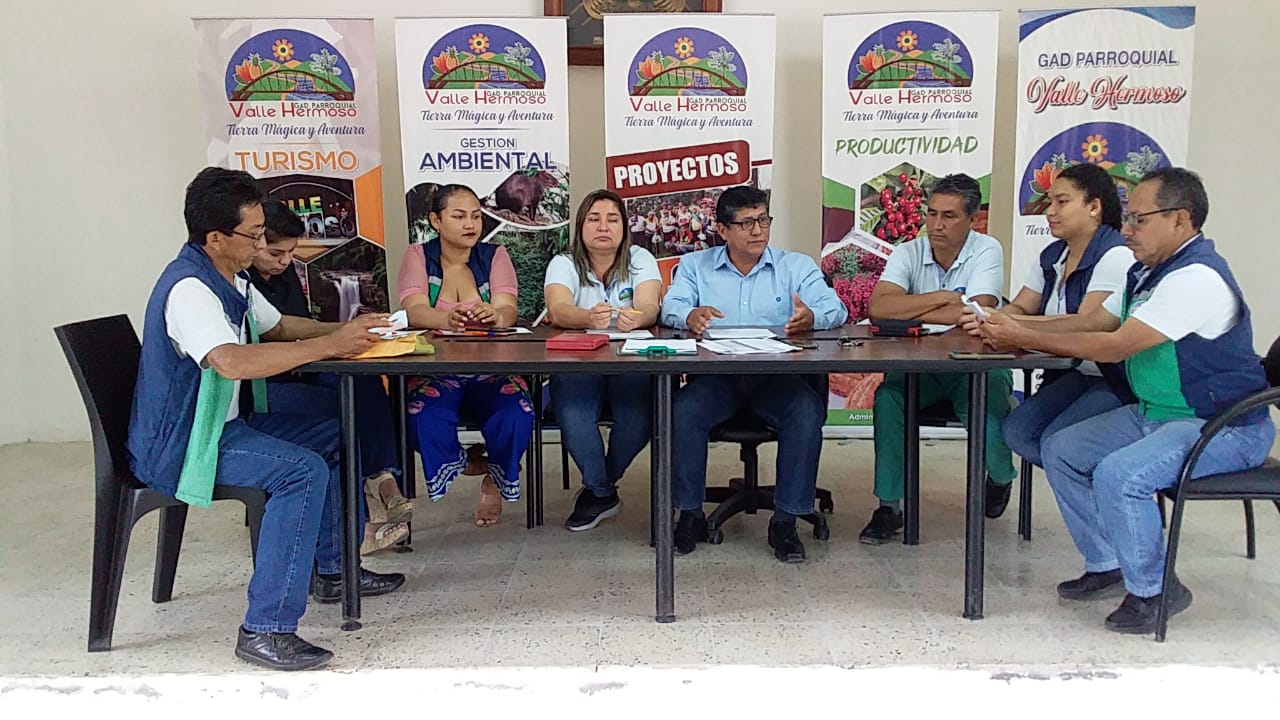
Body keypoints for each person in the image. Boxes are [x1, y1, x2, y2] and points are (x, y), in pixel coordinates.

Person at [127, 167, 404, 672]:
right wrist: (330, 345)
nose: (260, 246)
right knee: (301, 471)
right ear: (215, 237)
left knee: (337, 432)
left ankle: (333, 570)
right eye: (253, 236)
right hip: (187, 443)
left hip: (221, 426)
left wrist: (351, 330)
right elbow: (230, 360)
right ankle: (266, 629)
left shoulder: (228, 278)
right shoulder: (190, 289)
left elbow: (277, 326)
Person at [980, 167, 1275, 634]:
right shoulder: (1145, 272)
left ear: (1180, 219)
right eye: (1129, 218)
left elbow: (1115, 346)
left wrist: (1021, 334)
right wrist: (1015, 326)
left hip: (1220, 425)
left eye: (1139, 219)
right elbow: (1094, 322)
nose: (1127, 229)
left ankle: (1156, 590)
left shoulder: (1195, 277)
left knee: (1120, 475)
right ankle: (1108, 561)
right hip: (1158, 414)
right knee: (1062, 449)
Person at [660, 185, 849, 562]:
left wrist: (813, 317)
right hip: (716, 379)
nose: (758, 230)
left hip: (776, 379)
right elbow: (671, 307)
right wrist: (689, 315)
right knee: (681, 411)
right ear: (722, 229)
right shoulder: (696, 266)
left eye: (763, 220)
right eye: (746, 223)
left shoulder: (795, 266)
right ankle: (690, 514)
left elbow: (836, 308)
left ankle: (786, 521)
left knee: (806, 412)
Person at [247, 200, 412, 555]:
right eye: (276, 253)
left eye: (291, 252)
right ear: (255, 241)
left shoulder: (283, 273)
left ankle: (380, 478)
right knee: (343, 411)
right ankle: (360, 525)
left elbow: (295, 325)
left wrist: (350, 332)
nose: (284, 261)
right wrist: (337, 336)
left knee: (363, 380)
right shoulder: (240, 280)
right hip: (264, 386)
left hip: (304, 367)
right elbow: (276, 332)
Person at [860, 173, 1016, 545]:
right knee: (888, 398)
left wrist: (911, 308)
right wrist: (945, 298)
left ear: (972, 219)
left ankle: (999, 477)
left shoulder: (987, 249)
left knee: (989, 402)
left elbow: (979, 313)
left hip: (973, 365)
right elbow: (880, 308)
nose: (936, 224)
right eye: (931, 213)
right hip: (919, 367)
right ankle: (889, 507)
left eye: (949, 216)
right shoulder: (908, 251)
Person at [961, 163, 1136, 468]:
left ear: (1094, 207)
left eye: (1062, 202)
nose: (1050, 212)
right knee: (1017, 431)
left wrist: (1009, 324)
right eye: (1049, 202)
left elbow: (1087, 323)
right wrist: (991, 320)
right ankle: (1080, 475)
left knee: (1057, 442)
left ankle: (1090, 478)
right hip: (1073, 374)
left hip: (1111, 379)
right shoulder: (1054, 255)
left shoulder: (1115, 254)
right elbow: (1020, 306)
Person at [397, 184, 535, 527]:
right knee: (419, 416)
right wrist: (446, 320)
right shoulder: (418, 255)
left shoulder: (494, 255)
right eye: (459, 216)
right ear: (436, 220)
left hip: (492, 367)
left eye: (476, 216)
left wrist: (496, 316)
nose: (470, 224)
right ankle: (465, 461)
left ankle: (495, 479)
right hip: (436, 369)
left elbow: (508, 309)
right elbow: (414, 310)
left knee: (517, 412)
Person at [544, 189, 661, 531]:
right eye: (594, 219)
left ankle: (599, 488)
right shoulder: (564, 262)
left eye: (612, 219)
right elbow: (558, 309)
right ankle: (602, 490)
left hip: (631, 356)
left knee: (638, 416)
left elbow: (650, 306)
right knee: (573, 413)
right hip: (579, 358)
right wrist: (586, 318)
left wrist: (638, 318)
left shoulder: (640, 258)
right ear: (580, 226)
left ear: (624, 227)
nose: (603, 227)